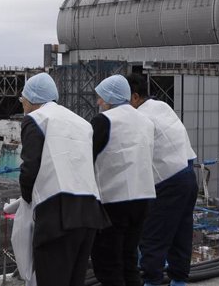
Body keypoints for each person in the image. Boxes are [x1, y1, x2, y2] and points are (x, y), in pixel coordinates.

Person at [18, 73, 110, 286]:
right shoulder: (81, 122)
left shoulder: (36, 120)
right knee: (74, 279)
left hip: (57, 213)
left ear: (32, 100)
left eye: (22, 101)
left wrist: (26, 200)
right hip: (89, 211)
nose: (22, 106)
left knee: (51, 277)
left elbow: (30, 168)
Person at [126, 74, 198, 286]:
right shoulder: (161, 107)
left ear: (135, 97)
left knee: (153, 236)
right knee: (180, 234)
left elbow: (134, 155)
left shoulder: (139, 117)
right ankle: (178, 280)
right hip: (188, 173)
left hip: (168, 179)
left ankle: (151, 281)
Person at [91, 74, 155, 286]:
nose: (98, 102)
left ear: (109, 98)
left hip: (113, 200)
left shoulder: (104, 121)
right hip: (143, 198)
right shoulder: (145, 121)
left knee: (108, 262)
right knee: (129, 259)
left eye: (100, 97)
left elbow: (87, 158)